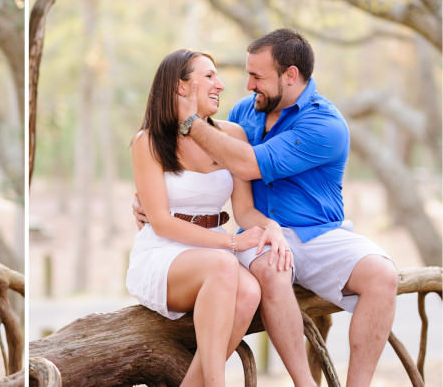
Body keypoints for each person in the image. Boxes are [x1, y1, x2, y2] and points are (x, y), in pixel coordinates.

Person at [157, 28, 398, 387]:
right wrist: (151, 195)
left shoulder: (325, 124)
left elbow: (248, 163)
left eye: (258, 76)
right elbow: (178, 147)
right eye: (249, 74)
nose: (249, 84)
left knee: (383, 276)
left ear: (290, 75)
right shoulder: (245, 112)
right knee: (272, 269)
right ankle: (305, 384)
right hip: (258, 230)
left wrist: (191, 122)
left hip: (319, 233)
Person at [128, 49, 286, 386]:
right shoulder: (149, 142)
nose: (221, 85)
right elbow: (161, 222)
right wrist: (230, 242)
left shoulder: (232, 136)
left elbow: (243, 210)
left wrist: (271, 228)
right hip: (163, 253)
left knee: (248, 291)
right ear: (181, 87)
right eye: (210, 76)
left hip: (212, 253)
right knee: (224, 265)